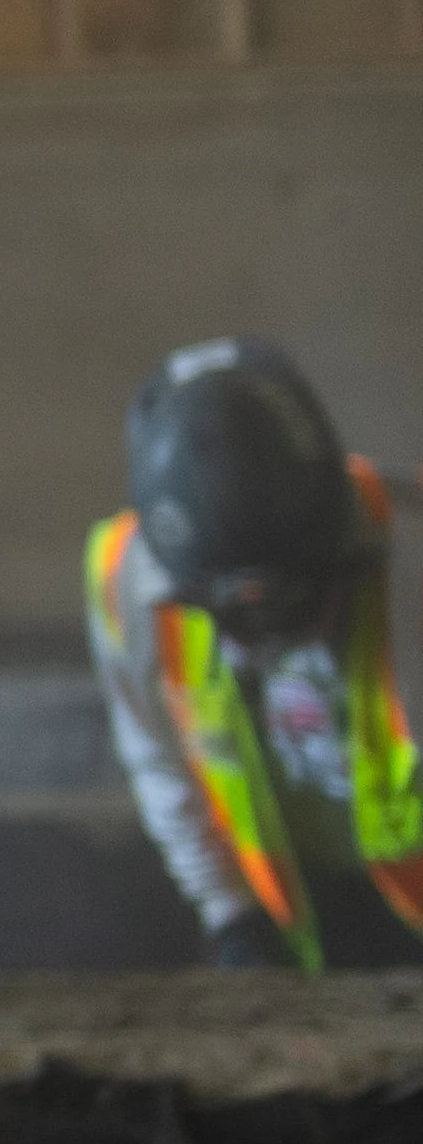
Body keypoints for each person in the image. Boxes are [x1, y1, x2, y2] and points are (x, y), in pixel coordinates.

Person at [87, 338, 423, 971]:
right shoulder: (128, 580)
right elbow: (159, 761)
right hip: (305, 914)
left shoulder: (410, 545)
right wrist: (232, 917)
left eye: (301, 598)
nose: (268, 634)